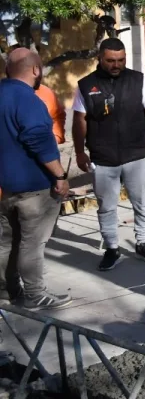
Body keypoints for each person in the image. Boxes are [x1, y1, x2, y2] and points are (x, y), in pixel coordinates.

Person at [72, 39, 145, 271]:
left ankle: (143, 242)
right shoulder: (86, 85)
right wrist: (80, 152)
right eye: (111, 61)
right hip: (103, 158)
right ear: (100, 59)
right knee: (106, 207)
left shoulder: (138, 80)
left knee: (142, 202)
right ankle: (112, 248)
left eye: (121, 60)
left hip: (137, 154)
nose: (116, 65)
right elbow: (79, 120)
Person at [0, 48, 72, 310]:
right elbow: (38, 139)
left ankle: (6, 292)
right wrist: (60, 175)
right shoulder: (29, 100)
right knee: (32, 243)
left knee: (6, 242)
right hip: (35, 187)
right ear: (35, 70)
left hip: (6, 186)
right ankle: (35, 294)